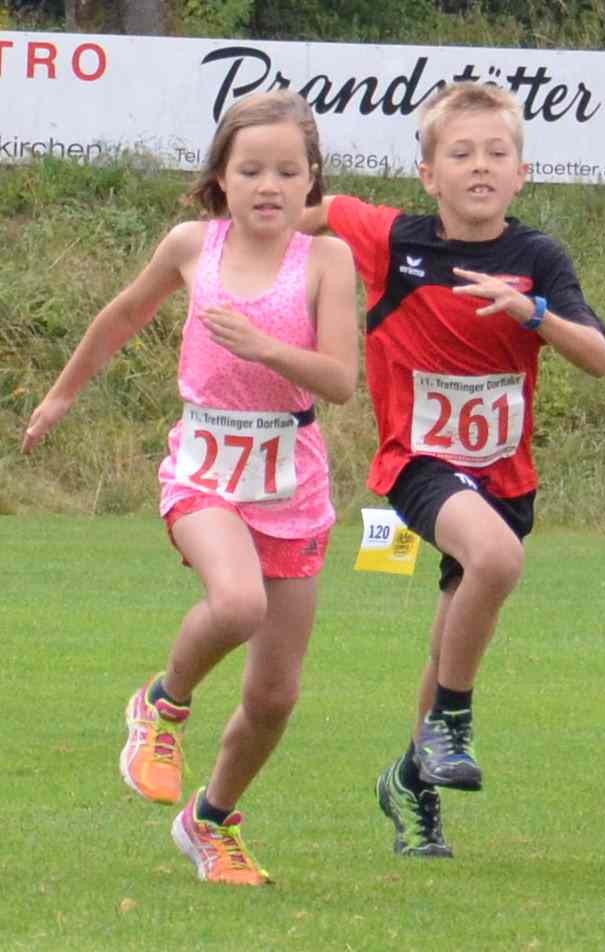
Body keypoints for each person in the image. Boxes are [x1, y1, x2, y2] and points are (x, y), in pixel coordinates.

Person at [22, 90, 359, 886]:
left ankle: (209, 821)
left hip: (291, 483)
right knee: (237, 604)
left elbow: (341, 381)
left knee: (275, 696)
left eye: (288, 171)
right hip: (204, 469)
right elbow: (122, 315)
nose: (269, 185)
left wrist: (265, 347)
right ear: (220, 177)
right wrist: (62, 395)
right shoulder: (190, 245)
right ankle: (161, 706)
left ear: (312, 180)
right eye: (251, 170)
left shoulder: (328, 260)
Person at [299, 82, 605, 859]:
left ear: (521, 172)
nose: (479, 166)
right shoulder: (392, 241)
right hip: (419, 463)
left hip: (504, 479)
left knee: (449, 643)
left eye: (496, 153)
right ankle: (453, 722)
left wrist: (531, 312)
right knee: (497, 561)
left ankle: (412, 783)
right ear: (428, 174)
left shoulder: (538, 258)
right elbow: (312, 209)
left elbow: (598, 356)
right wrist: (232, 244)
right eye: (461, 153)